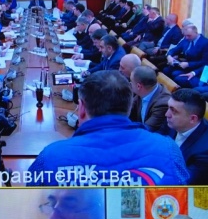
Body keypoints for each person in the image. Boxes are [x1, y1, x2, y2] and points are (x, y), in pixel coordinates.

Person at [27, 71, 189, 186]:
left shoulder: (50, 157)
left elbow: (34, 205)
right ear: (129, 105)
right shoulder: (170, 150)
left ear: (81, 107)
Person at [164, 89, 208, 185]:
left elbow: (182, 183)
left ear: (192, 118)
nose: (167, 114)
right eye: (168, 108)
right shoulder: (175, 122)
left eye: (174, 111)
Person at [129, 65, 170, 133]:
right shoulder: (144, 91)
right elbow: (128, 110)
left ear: (139, 86)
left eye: (131, 82)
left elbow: (147, 130)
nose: (130, 84)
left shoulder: (162, 104)